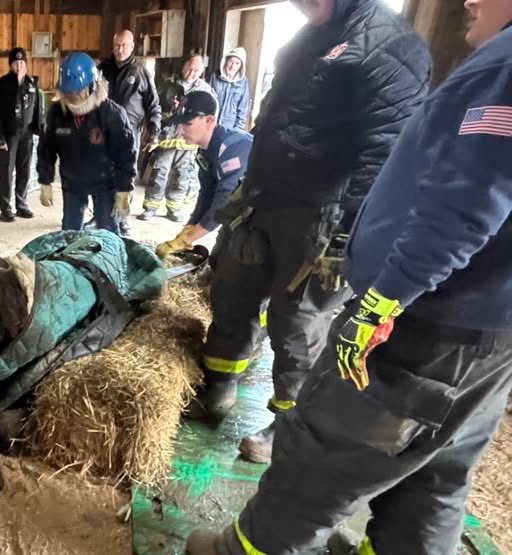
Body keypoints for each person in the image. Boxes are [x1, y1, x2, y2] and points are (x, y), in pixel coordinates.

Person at [185, 1, 512, 552]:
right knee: (433, 477)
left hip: (420, 309)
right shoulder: (316, 39)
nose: (469, 1)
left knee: (324, 446)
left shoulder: (405, 48)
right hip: (478, 320)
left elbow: (461, 199)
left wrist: (378, 289)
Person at [190, 0, 431, 464]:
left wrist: (352, 230)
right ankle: (219, 386)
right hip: (267, 199)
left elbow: (389, 148)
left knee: (297, 321)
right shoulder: (309, 36)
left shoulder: (391, 43)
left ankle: (288, 422)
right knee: (232, 292)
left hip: (322, 213)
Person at [37, 52, 136, 233]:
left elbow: (125, 153)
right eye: (68, 93)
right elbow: (46, 149)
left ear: (92, 86)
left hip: (105, 183)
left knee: (108, 233)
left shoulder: (111, 114)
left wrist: (124, 188)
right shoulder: (57, 114)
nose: (72, 98)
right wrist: (45, 181)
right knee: (69, 232)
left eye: (77, 93)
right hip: (73, 183)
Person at [155, 91, 251, 256]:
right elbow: (207, 192)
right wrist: (190, 226)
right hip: (242, 203)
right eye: (179, 124)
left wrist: (188, 239)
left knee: (238, 251)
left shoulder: (232, 149)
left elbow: (223, 201)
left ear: (209, 120)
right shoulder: (204, 151)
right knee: (219, 257)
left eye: (187, 124)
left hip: (269, 204)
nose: (180, 130)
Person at [97, 30, 161, 235]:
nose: (120, 49)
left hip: (128, 134)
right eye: (117, 45)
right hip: (102, 132)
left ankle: (122, 220)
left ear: (132, 47)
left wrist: (155, 131)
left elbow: (153, 104)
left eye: (124, 45)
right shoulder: (102, 69)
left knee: (125, 177)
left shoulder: (140, 72)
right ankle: (99, 215)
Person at [139, 54, 215, 222]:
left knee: (183, 175)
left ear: (202, 71)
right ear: (184, 66)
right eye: (189, 68)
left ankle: (174, 208)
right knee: (159, 172)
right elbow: (154, 108)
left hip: (189, 142)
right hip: (167, 137)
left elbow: (211, 116)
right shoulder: (167, 85)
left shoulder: (206, 91)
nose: (191, 72)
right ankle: (150, 207)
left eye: (196, 70)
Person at [0, 47, 45, 222]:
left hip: (27, 134)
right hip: (9, 135)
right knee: (6, 172)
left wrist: (41, 130)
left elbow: (38, 109)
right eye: (15, 63)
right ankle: (6, 208)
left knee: (24, 171)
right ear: (10, 64)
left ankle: (21, 205)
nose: (19, 66)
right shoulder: (2, 85)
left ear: (26, 64)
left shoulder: (31, 84)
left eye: (22, 63)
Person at [208, 47, 250, 130]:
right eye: (231, 61)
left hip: (229, 128)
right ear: (226, 61)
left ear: (241, 66)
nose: (233, 66)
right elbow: (206, 99)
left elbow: (243, 110)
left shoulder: (243, 82)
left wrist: (237, 131)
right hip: (211, 124)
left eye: (237, 63)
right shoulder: (215, 76)